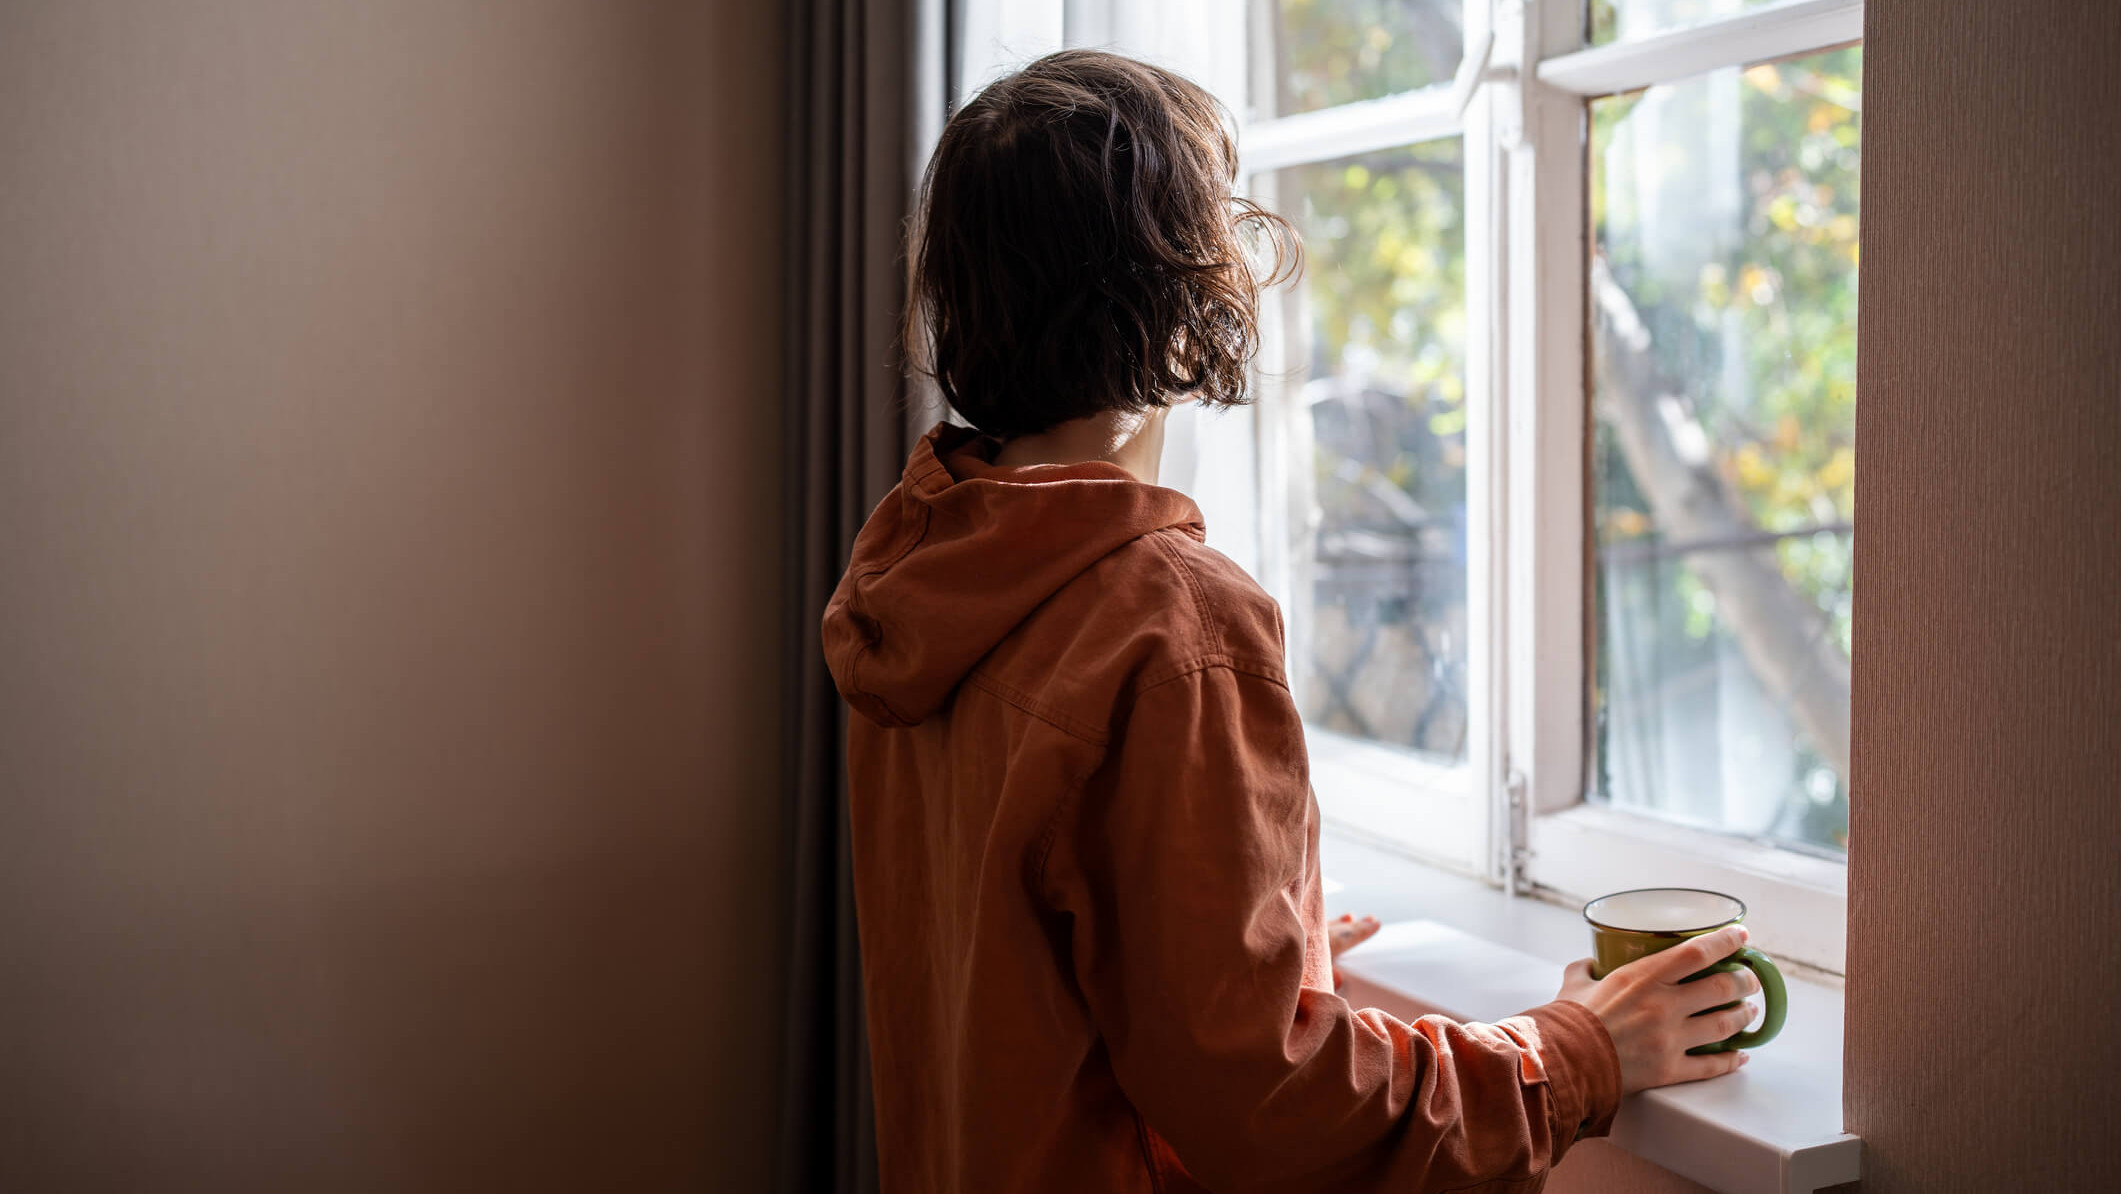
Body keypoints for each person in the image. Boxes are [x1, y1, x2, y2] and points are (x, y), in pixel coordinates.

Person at [821, 48, 1760, 1194]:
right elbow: (1272, 1108)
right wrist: (1575, 1055)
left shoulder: (920, 572)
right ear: (1184, 301)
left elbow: (1031, 967)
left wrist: (1258, 969)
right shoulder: (1169, 626)